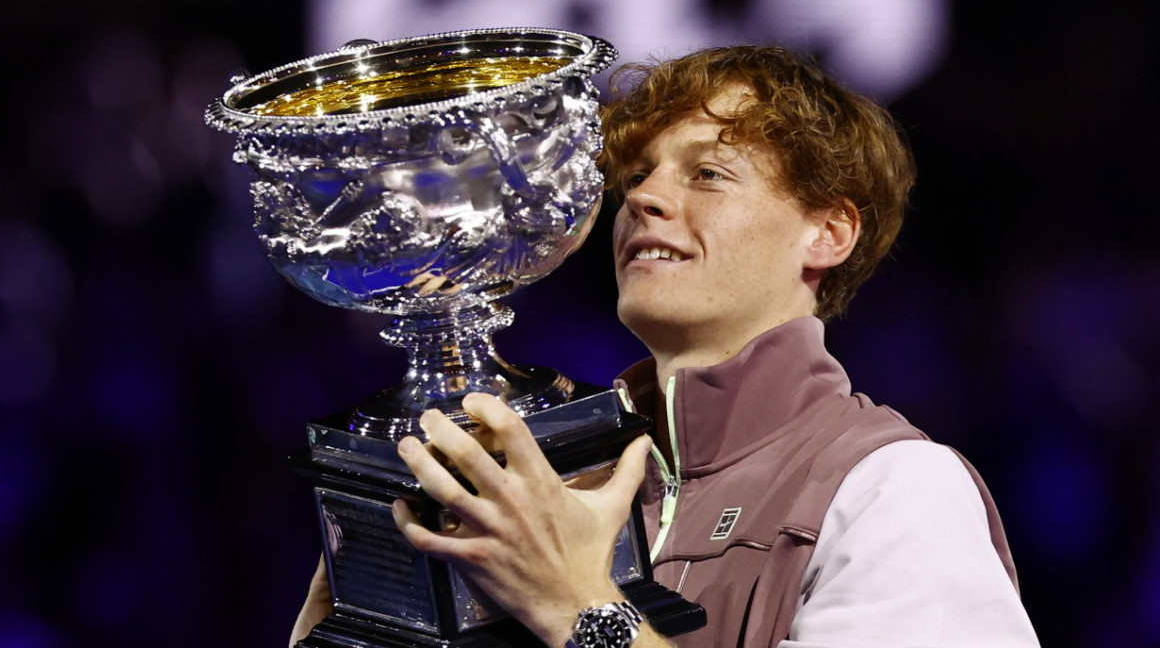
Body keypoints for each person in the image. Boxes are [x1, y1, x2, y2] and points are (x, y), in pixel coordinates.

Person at [290, 46, 1039, 648]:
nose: (643, 198)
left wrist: (583, 609)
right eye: (637, 176)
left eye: (708, 175)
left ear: (828, 232)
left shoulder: (893, 489)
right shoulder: (556, 487)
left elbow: (581, 613)